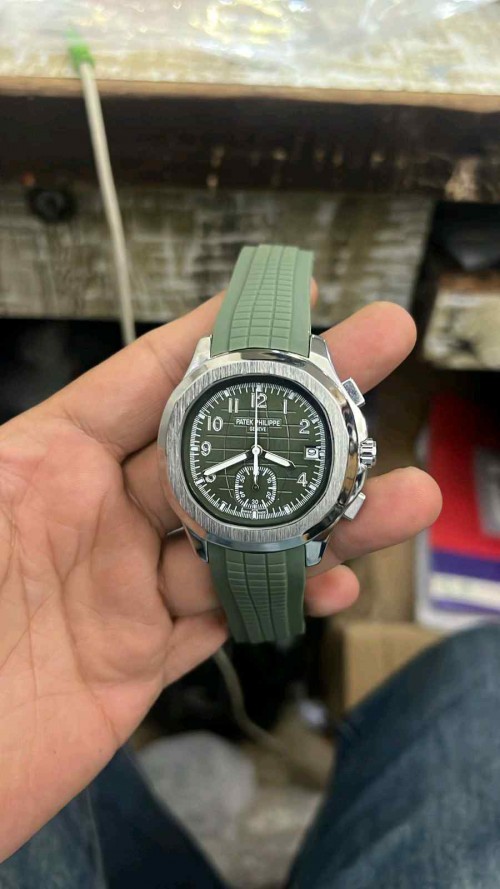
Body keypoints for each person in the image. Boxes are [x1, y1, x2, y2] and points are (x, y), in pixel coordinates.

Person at [2, 290, 474, 888]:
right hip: (216, 530)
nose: (254, 452)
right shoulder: (190, 461)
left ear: (353, 444)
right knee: (482, 669)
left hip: (272, 529)